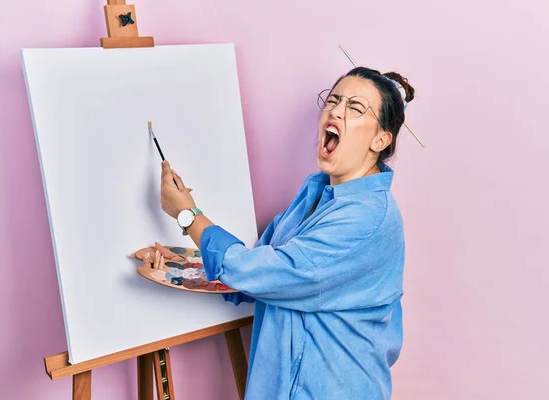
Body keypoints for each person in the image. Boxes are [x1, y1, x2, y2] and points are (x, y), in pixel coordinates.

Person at [159, 66, 414, 400]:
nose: (336, 110)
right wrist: (180, 265)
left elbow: (271, 273)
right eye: (334, 100)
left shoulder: (369, 218)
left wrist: (187, 214)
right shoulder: (316, 192)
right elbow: (258, 270)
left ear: (381, 139)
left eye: (355, 108)